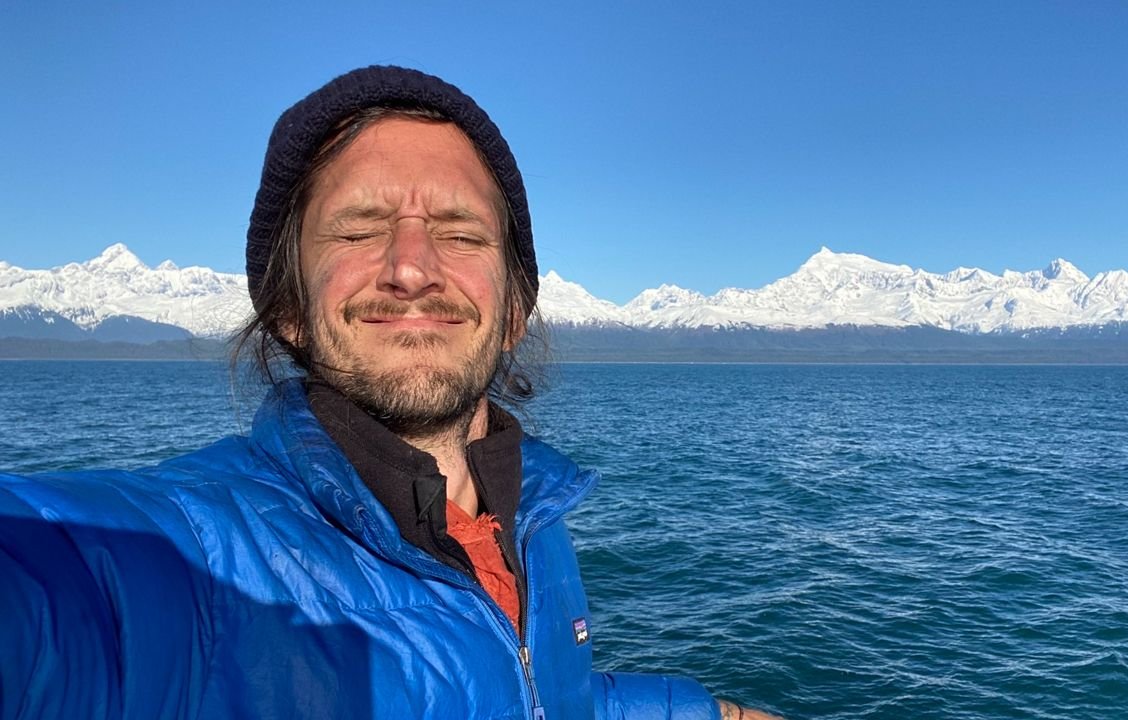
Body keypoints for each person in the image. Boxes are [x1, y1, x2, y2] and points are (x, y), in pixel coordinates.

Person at [0, 66, 782, 719]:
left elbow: (538, 694)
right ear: (288, 308)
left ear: (514, 310)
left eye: (462, 233)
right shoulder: (187, 560)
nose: (411, 267)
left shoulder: (531, 516)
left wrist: (705, 711)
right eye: (357, 229)